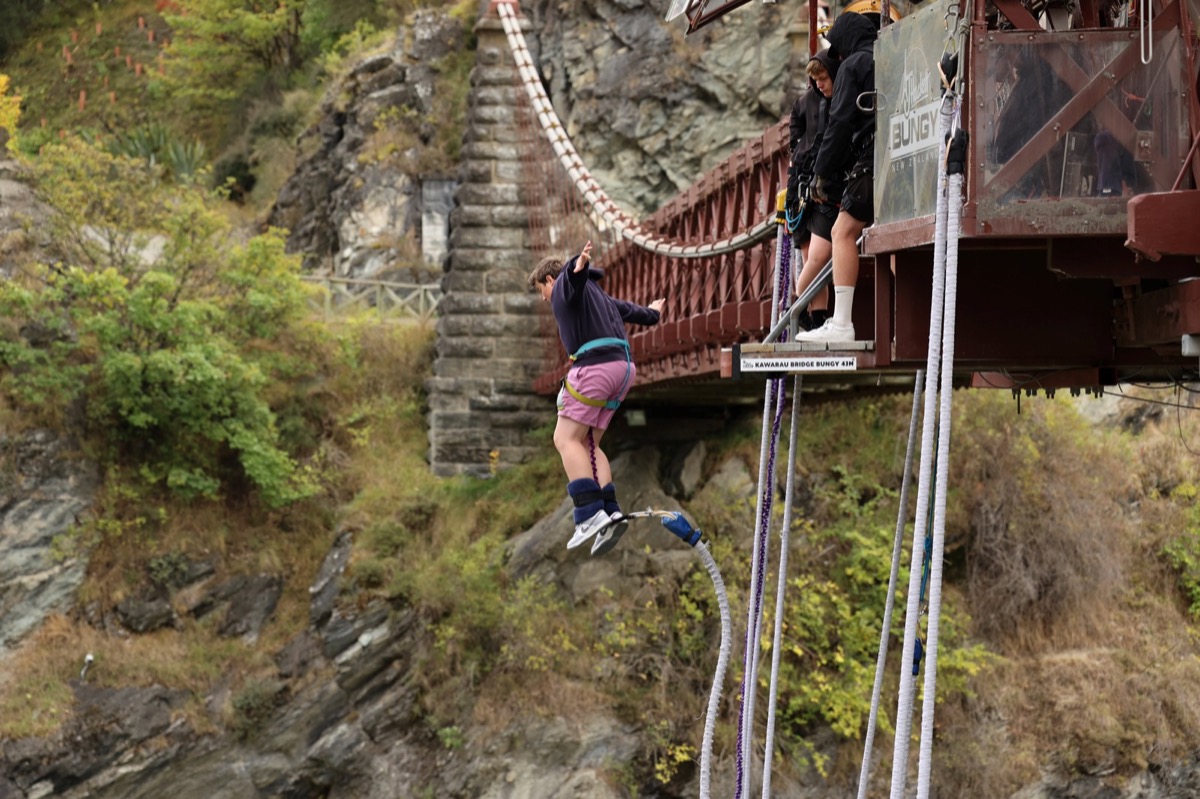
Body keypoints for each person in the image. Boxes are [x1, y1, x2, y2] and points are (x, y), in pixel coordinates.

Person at [528, 241, 665, 553]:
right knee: (590, 442)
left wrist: (577, 264)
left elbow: (571, 279)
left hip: (595, 369)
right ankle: (610, 511)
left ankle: (588, 515)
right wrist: (653, 314)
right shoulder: (599, 296)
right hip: (624, 369)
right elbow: (630, 310)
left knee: (564, 440)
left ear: (550, 280)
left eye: (542, 290)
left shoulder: (564, 287)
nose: (544, 298)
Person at [795, 10, 878, 344]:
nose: (838, 56)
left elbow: (840, 123)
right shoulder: (891, 56)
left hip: (870, 159)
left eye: (838, 48)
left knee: (842, 231)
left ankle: (842, 322)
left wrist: (820, 172)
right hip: (902, 157)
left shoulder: (852, 66)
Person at [787, 49, 840, 331]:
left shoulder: (839, 99)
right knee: (812, 258)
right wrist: (798, 152)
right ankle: (817, 320)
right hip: (804, 188)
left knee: (818, 257)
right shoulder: (805, 102)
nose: (820, 83)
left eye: (824, 78)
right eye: (816, 79)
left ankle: (793, 309)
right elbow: (795, 132)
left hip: (824, 188)